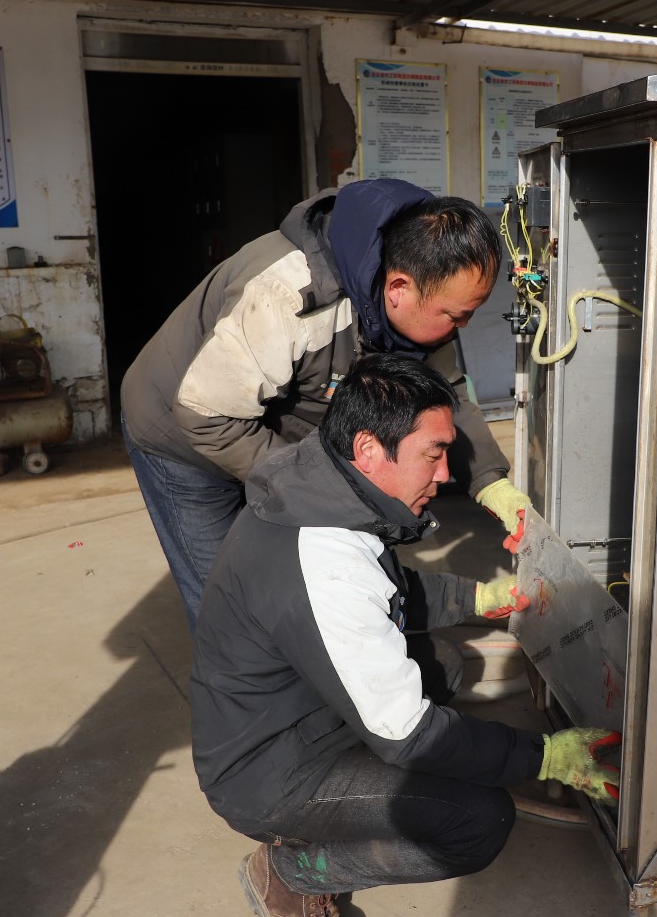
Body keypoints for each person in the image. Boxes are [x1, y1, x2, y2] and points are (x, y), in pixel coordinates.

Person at [189, 353, 619, 917]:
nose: (445, 474)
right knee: (476, 820)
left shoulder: (322, 486)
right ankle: (291, 873)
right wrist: (543, 756)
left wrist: (478, 598)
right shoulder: (325, 560)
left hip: (297, 708)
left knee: (442, 662)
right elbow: (408, 733)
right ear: (370, 449)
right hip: (267, 771)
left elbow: (385, 586)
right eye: (433, 454)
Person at [120, 179, 531, 631]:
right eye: (455, 315)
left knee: (308, 578)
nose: (463, 327)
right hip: (185, 435)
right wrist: (319, 487)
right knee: (227, 600)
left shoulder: (414, 304)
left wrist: (493, 485)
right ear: (399, 288)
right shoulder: (287, 296)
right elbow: (207, 416)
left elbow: (444, 395)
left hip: (269, 430)